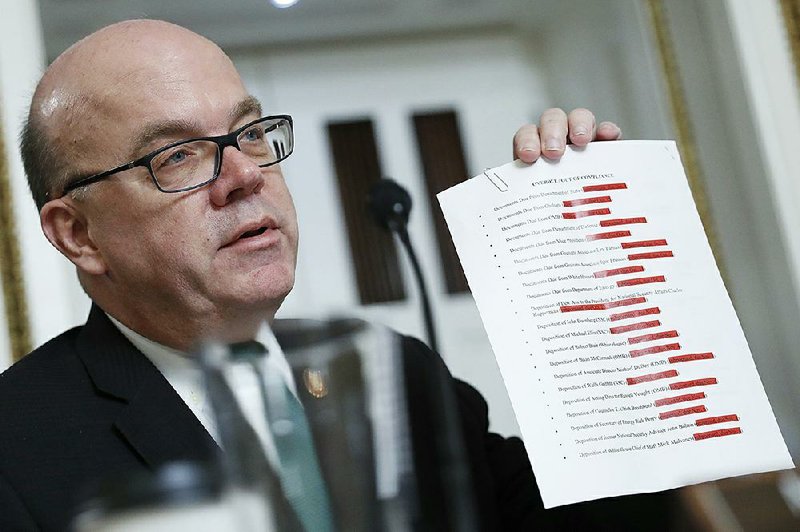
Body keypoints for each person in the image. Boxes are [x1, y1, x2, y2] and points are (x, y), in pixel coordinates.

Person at [0, 18, 679, 531]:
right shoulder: (16, 451)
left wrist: (605, 276)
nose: (244, 175)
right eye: (178, 156)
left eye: (251, 133)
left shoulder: (395, 372)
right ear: (78, 234)